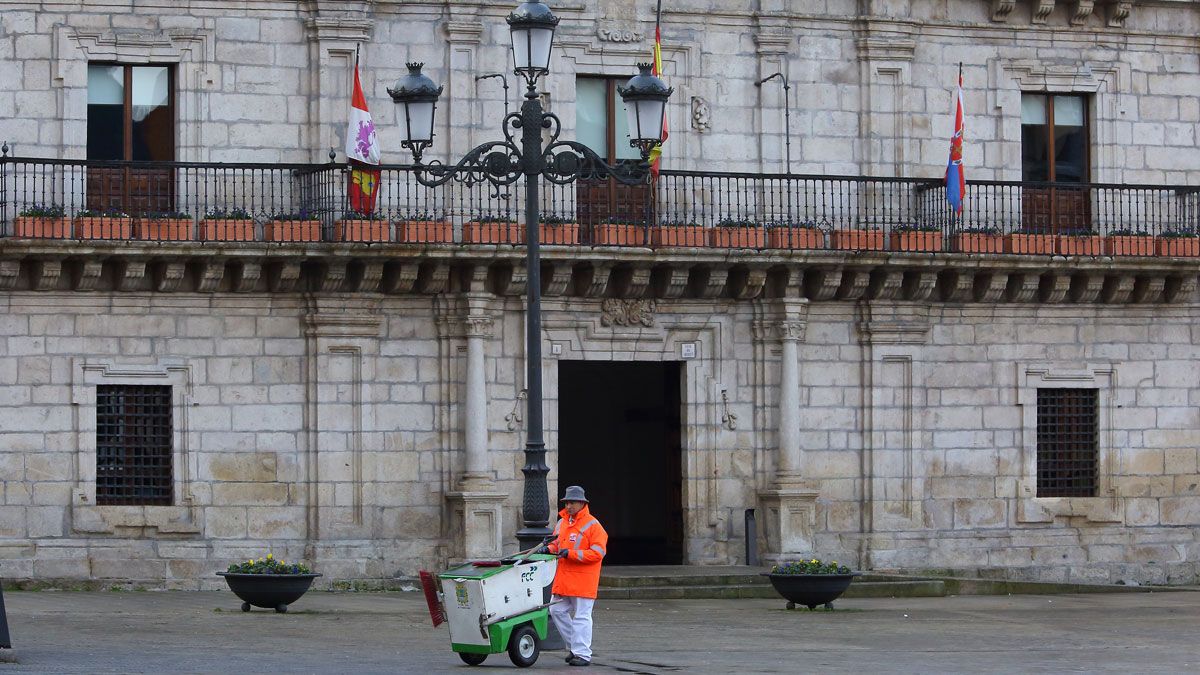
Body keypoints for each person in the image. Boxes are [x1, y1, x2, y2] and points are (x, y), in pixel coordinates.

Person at [546, 485, 608, 667]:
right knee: (556, 610)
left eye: (572, 502)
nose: (568, 506)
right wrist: (548, 549)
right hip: (566, 579)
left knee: (581, 616)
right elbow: (556, 543)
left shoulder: (593, 525)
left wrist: (571, 554)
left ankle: (582, 653)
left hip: (583, 579)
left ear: (582, 503)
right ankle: (576, 648)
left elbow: (598, 553)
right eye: (566, 503)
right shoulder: (562, 522)